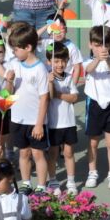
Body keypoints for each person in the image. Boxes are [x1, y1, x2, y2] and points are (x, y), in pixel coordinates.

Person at [6, 22, 49, 193]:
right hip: (18, 119)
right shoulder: (14, 65)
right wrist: (9, 81)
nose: (14, 53)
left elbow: (44, 98)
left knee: (37, 154)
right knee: (23, 153)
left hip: (35, 121)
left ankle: (41, 185)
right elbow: (8, 94)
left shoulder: (40, 69)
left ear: (28, 47)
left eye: (16, 49)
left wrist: (39, 124)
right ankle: (26, 183)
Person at [83, 26, 110, 190]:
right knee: (93, 142)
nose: (101, 48)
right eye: (97, 45)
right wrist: (98, 59)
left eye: (105, 45)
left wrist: (107, 60)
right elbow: (88, 70)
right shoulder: (88, 61)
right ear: (90, 45)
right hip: (94, 103)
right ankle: (92, 172)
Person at [45, 42, 79, 194]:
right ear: (49, 62)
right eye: (56, 61)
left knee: (69, 153)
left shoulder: (69, 77)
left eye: (63, 61)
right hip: (53, 124)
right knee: (52, 154)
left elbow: (74, 98)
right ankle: (53, 181)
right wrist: (50, 83)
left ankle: (71, 182)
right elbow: (50, 96)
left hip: (69, 122)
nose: (60, 64)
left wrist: (60, 95)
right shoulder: (47, 78)